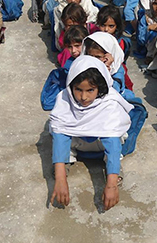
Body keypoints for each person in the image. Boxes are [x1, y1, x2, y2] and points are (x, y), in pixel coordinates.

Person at [49, 55, 133, 211]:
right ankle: (65, 162)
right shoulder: (64, 100)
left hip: (101, 144)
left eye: (90, 90)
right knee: (55, 132)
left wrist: (111, 185)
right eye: (78, 89)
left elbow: (112, 142)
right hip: (78, 143)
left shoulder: (109, 103)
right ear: (70, 86)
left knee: (117, 139)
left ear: (100, 88)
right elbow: (61, 136)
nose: (83, 97)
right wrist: (60, 180)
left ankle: (113, 169)